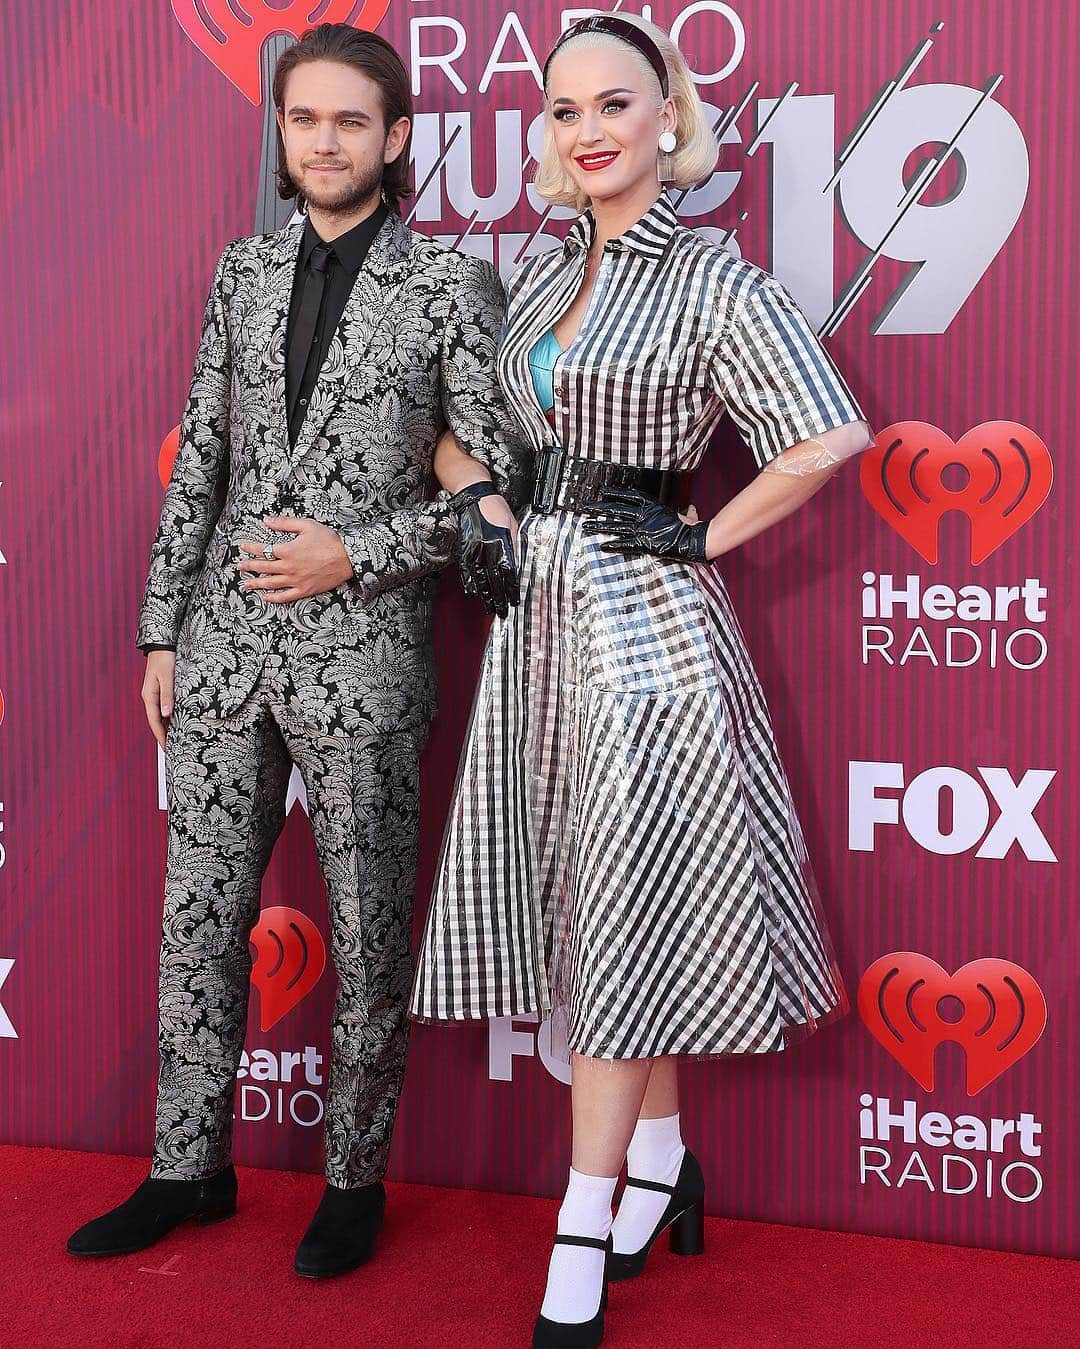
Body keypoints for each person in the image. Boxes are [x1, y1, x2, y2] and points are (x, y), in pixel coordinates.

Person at [411, 14, 872, 1347]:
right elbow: (463, 438)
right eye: (564, 111)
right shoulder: (547, 280)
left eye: (616, 102)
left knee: (616, 913)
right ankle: (663, 1166)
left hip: (643, 630)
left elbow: (829, 428)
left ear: (670, 119)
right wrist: (483, 508)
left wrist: (703, 531)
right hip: (538, 618)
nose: (589, 128)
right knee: (595, 904)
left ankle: (582, 1220)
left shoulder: (714, 277)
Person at [66, 23, 523, 1277]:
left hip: (364, 659)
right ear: (280, 131)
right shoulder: (241, 273)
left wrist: (355, 553)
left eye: (350, 123)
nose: (324, 142)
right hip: (220, 653)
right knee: (196, 920)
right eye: (303, 120)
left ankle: (355, 1180)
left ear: (397, 138)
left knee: (373, 933)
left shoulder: (448, 288)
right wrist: (163, 625)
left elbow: (497, 491)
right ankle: (185, 1167)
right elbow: (200, 461)